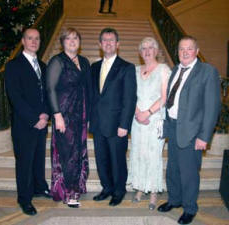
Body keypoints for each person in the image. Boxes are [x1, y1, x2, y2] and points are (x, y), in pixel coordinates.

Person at [157, 36, 221, 224]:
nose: (184, 52)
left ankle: (190, 207)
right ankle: (175, 199)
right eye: (181, 49)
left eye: (189, 48)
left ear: (197, 51)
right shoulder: (176, 69)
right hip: (174, 127)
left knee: (189, 172)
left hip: (193, 132)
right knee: (173, 169)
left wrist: (204, 136)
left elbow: (212, 107)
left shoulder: (207, 71)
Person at [5, 28, 51, 216]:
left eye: (37, 39)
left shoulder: (43, 65)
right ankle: (24, 198)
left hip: (42, 122)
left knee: (38, 158)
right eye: (30, 38)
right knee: (24, 162)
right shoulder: (13, 65)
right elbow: (15, 97)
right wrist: (34, 119)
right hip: (25, 124)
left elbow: (48, 93)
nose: (34, 41)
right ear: (23, 41)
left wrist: (46, 115)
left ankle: (39, 187)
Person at [90, 27, 137, 206]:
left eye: (112, 40)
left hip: (117, 124)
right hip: (97, 123)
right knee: (101, 159)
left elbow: (129, 99)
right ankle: (107, 188)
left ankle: (119, 190)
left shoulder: (127, 67)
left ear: (117, 44)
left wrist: (124, 124)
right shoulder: (94, 67)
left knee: (117, 160)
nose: (108, 43)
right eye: (105, 40)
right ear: (100, 44)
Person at [46, 27, 91, 208]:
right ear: (62, 42)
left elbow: (88, 89)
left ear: (79, 42)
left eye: (75, 38)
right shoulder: (57, 61)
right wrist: (57, 115)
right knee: (67, 154)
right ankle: (68, 192)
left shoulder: (85, 61)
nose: (72, 41)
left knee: (79, 152)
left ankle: (77, 186)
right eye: (68, 38)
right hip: (64, 115)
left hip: (80, 115)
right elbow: (50, 89)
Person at [128, 37, 171, 210]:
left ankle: (153, 192)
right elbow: (131, 95)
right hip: (137, 119)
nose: (147, 51)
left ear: (156, 51)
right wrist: (138, 112)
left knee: (153, 155)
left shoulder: (163, 69)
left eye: (150, 48)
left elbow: (164, 97)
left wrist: (148, 112)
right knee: (138, 152)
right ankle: (139, 188)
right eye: (143, 48)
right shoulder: (136, 70)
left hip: (155, 119)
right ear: (140, 52)